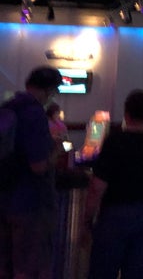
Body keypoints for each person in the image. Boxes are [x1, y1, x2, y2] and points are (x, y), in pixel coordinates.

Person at [82, 89, 143, 279]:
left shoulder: (114, 140)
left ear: (126, 113)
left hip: (115, 214)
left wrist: (87, 219)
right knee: (136, 272)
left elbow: (98, 186)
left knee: (103, 271)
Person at [0, 65, 63, 279]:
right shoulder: (35, 113)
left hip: (5, 198)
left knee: (6, 267)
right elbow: (38, 166)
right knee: (30, 269)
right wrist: (56, 151)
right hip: (31, 205)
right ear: (48, 90)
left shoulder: (8, 107)